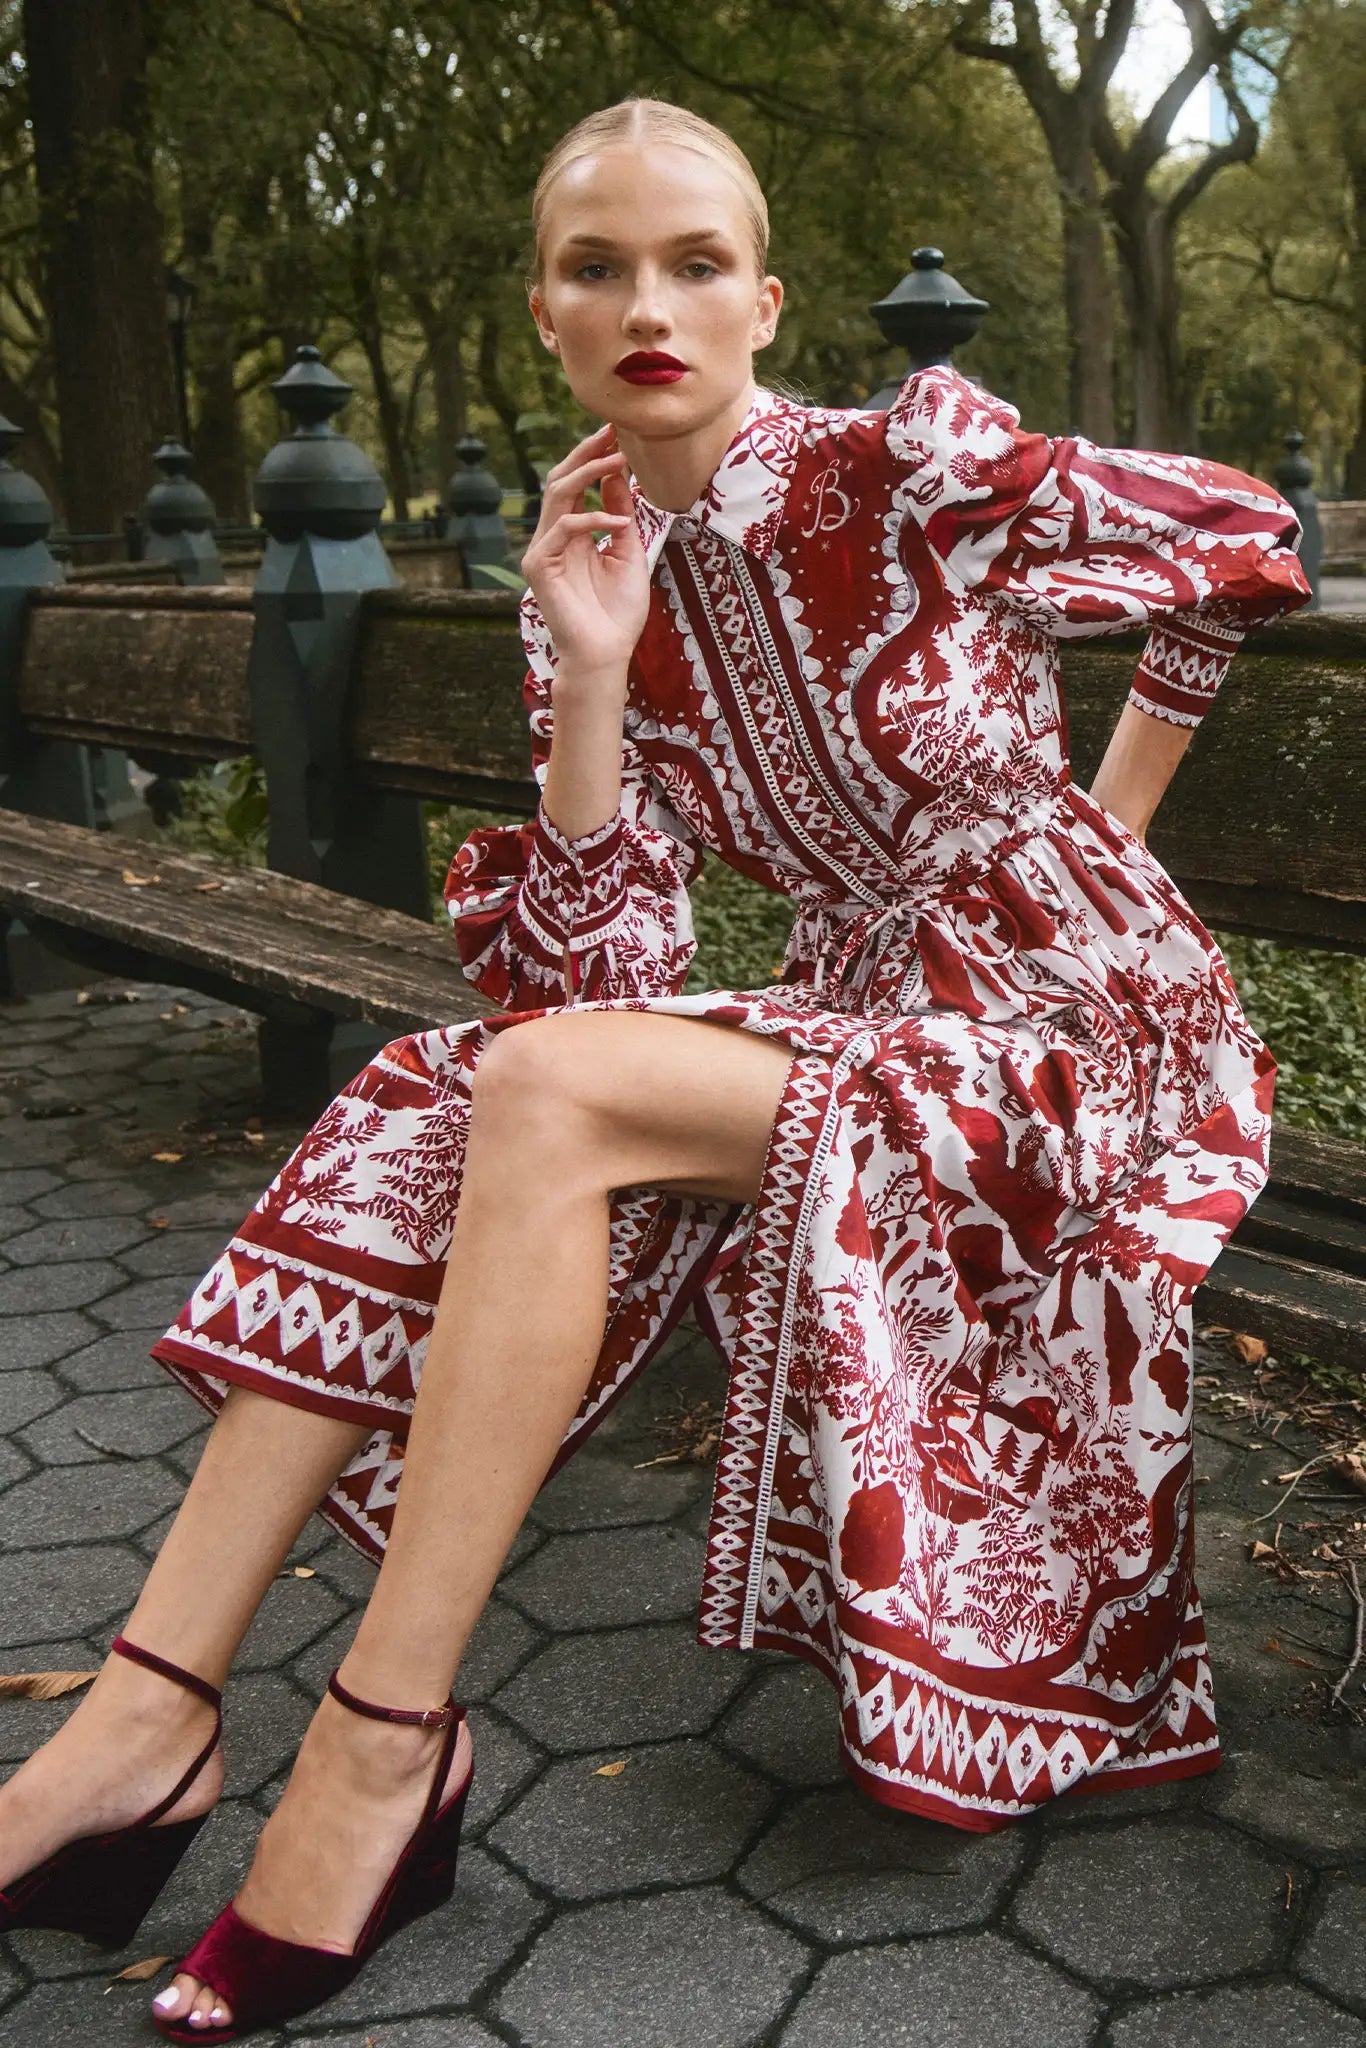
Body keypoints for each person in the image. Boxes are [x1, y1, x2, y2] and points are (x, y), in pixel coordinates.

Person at [0, 95, 1309, 2040]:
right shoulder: (589, 565)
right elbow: (585, 980)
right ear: (542, 314)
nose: (649, 304)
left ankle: (377, 1743)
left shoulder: (905, 468)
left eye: (694, 263)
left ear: (763, 300)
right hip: (864, 1020)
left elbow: (1235, 538)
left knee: (524, 1093)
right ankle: (145, 1711)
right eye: (597, 267)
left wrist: (1092, 839)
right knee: (457, 1085)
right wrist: (593, 669)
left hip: (1081, 1044)